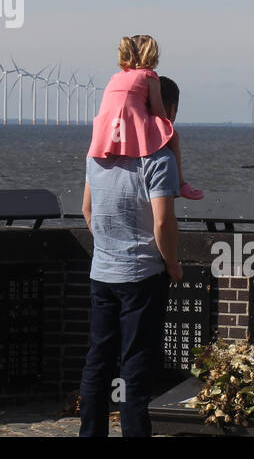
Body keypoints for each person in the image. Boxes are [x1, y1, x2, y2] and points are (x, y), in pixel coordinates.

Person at [79, 76, 184, 438]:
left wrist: (110, 247)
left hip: (102, 273)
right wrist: (171, 263)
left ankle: (90, 433)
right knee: (136, 366)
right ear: (166, 110)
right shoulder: (159, 159)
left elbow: (88, 212)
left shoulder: (97, 154)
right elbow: (161, 221)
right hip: (142, 276)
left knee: (97, 362)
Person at [88, 35, 202, 200]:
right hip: (132, 123)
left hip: (106, 130)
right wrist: (166, 132)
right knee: (173, 137)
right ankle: (180, 183)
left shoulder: (116, 77)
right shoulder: (149, 77)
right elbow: (158, 111)